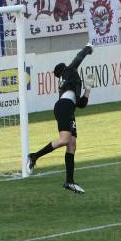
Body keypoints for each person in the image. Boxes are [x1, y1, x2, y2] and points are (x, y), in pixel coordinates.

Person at [27, 43, 95, 194]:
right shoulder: (69, 71)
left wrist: (88, 88)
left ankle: (69, 182)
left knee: (72, 144)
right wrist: (88, 48)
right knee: (65, 140)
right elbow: (78, 58)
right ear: (65, 68)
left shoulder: (68, 83)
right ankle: (34, 156)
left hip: (68, 109)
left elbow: (81, 104)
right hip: (64, 107)